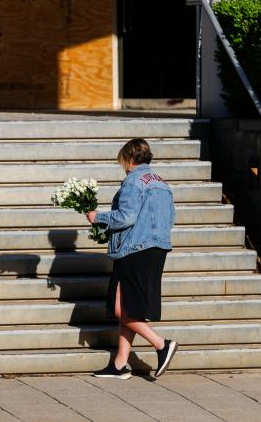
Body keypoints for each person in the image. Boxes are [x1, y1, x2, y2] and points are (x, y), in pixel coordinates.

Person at [86, 138, 179, 379]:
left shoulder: (133, 181)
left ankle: (161, 344)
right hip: (156, 248)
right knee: (128, 306)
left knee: (121, 307)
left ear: (128, 159)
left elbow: (126, 217)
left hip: (134, 249)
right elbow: (171, 217)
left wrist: (98, 217)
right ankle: (120, 364)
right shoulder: (162, 183)